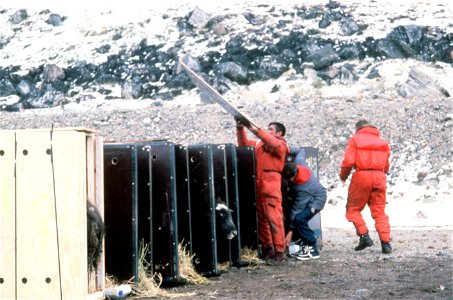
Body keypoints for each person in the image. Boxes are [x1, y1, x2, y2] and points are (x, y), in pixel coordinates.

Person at [235, 117, 289, 263]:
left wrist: (257, 131)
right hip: (260, 186)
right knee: (263, 221)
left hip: (270, 186)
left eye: (271, 129)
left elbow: (273, 143)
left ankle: (279, 251)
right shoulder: (261, 144)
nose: (267, 131)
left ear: (279, 133)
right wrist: (240, 129)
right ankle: (268, 249)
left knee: (274, 219)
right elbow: (244, 145)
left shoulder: (281, 145)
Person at [339, 119, 392, 254]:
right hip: (380, 177)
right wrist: (379, 174)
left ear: (358, 128)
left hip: (361, 176)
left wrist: (343, 177)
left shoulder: (355, 139)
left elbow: (348, 161)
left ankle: (364, 236)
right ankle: (386, 244)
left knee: (352, 209)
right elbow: (386, 165)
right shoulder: (383, 142)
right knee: (379, 212)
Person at [282, 147, 327, 260]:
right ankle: (304, 244)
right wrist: (286, 148)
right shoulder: (299, 162)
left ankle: (312, 248)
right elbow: (300, 151)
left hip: (317, 200)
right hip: (312, 197)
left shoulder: (302, 188)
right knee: (297, 219)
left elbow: (296, 210)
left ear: (295, 173)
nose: (290, 181)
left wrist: (290, 232)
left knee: (299, 219)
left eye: (291, 178)